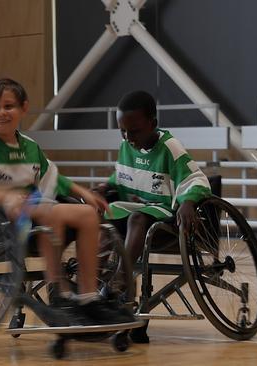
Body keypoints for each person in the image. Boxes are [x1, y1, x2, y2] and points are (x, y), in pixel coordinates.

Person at [0, 78, 133, 325]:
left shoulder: (30, 147)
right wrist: (6, 197)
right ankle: (58, 294)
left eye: (8, 106)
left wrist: (84, 192)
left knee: (88, 214)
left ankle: (88, 298)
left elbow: (53, 179)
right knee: (51, 213)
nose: (1, 113)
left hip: (31, 212)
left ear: (23, 108)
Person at [95, 90, 211, 342]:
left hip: (167, 214)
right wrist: (105, 187)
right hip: (138, 209)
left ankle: (120, 280)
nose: (128, 137)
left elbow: (196, 179)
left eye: (134, 131)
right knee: (98, 213)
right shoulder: (126, 145)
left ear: (153, 124)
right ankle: (95, 285)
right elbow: (124, 177)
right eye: (122, 132)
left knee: (137, 219)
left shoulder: (170, 147)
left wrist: (189, 202)